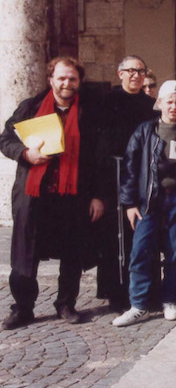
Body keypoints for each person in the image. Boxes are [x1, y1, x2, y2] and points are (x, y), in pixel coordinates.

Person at [0, 57, 105, 330]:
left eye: (72, 78)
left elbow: (98, 158)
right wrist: (26, 154)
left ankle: (66, 304)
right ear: (51, 80)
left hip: (72, 195)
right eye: (61, 78)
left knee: (72, 251)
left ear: (79, 81)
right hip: (34, 194)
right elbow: (5, 139)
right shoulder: (31, 107)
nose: (66, 83)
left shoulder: (90, 112)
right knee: (25, 252)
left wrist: (96, 195)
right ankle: (23, 308)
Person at [114, 80, 176, 327]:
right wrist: (130, 203)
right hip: (148, 199)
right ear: (160, 103)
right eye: (169, 101)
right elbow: (131, 168)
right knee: (141, 251)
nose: (173, 106)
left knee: (175, 253)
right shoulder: (144, 131)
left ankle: (169, 299)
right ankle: (138, 304)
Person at [96, 55, 156, 313]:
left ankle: (146, 290)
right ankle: (116, 291)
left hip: (143, 178)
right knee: (113, 238)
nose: (135, 75)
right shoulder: (106, 103)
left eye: (140, 71)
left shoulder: (151, 106)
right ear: (120, 74)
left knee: (142, 234)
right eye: (130, 71)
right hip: (113, 175)